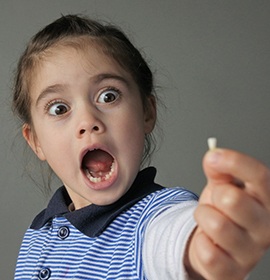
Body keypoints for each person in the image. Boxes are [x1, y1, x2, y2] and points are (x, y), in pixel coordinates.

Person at [13, 14, 270, 280]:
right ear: (36, 142)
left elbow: (179, 240)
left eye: (108, 96)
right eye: (59, 108)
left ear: (146, 112)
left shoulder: (156, 218)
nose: (88, 121)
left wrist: (208, 246)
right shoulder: (37, 235)